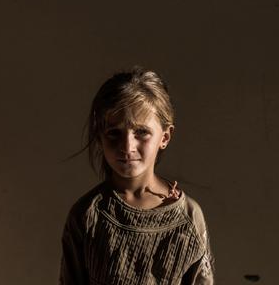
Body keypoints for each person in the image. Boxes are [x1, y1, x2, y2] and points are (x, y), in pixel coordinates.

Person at [59, 66, 214, 284]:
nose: (127, 146)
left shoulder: (188, 218)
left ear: (165, 137)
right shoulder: (87, 215)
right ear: (100, 137)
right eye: (114, 133)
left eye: (141, 132)